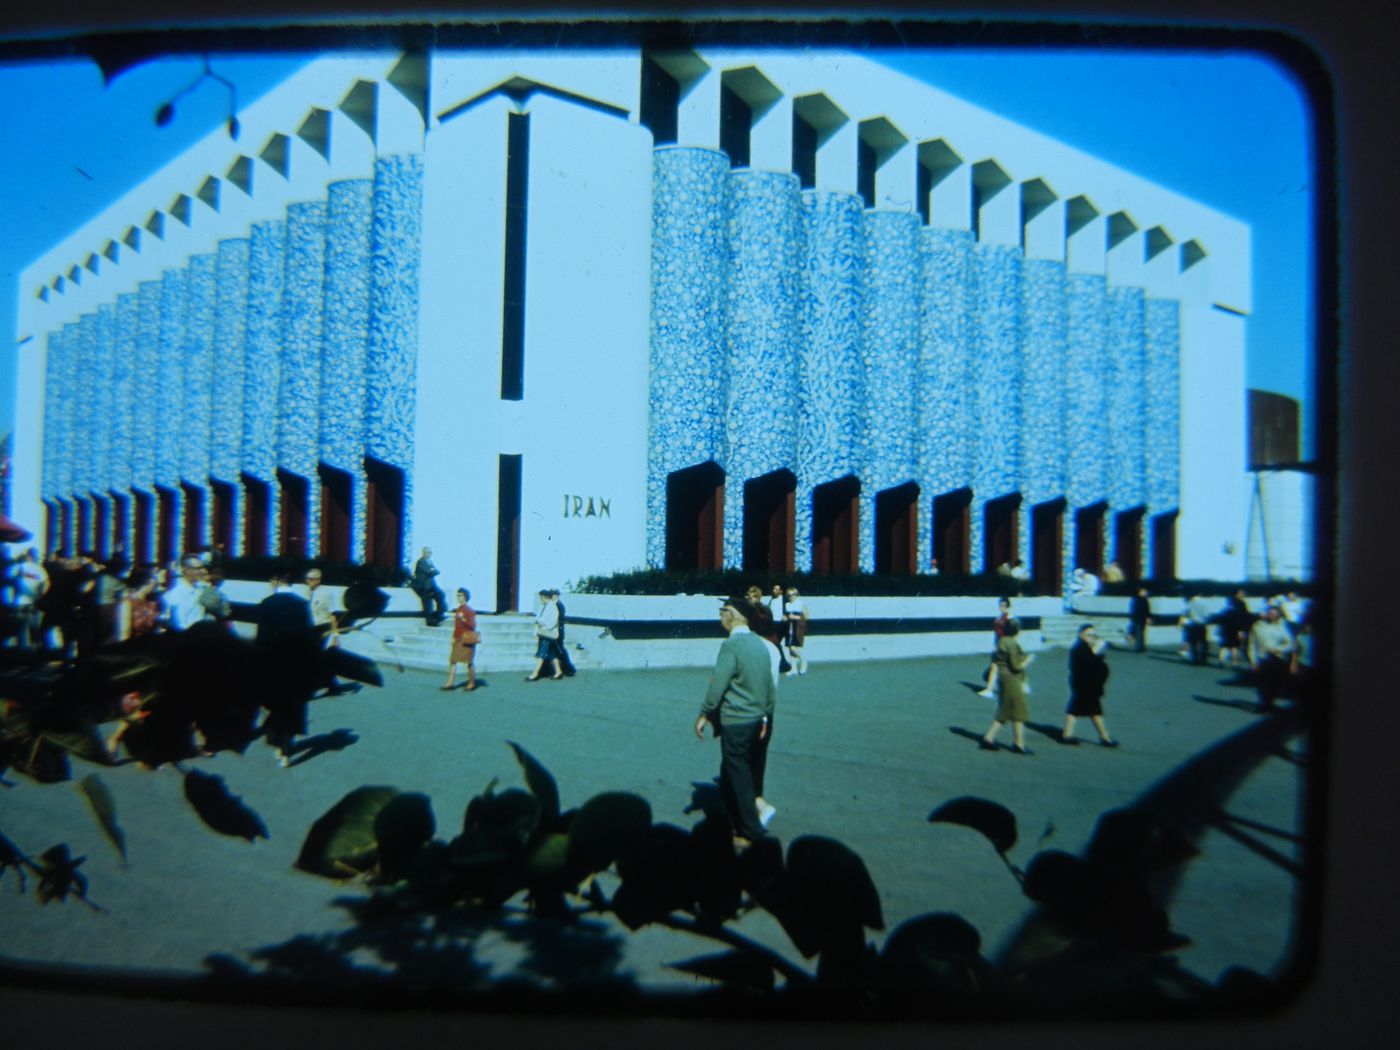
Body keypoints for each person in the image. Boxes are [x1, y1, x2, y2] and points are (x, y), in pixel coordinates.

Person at [694, 596, 777, 848]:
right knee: (733, 772)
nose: (720, 615)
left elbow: (718, 682)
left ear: (733, 615)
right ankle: (734, 824)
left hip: (737, 720)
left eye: (723, 610)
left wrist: (705, 712)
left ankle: (751, 831)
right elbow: (768, 686)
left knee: (738, 774)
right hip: (756, 719)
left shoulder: (732, 646)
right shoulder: (759, 644)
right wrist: (764, 716)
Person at [254, 571, 318, 767]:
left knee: (275, 704)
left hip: (273, 663)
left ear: (275, 581)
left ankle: (278, 743)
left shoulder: (267, 603)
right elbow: (309, 636)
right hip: (296, 663)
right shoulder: (301, 604)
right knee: (294, 705)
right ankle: (286, 746)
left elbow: (261, 638)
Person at [978, 617, 1035, 754]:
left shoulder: (1002, 642)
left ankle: (990, 738)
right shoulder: (1012, 644)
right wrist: (1028, 661)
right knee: (1018, 711)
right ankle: (1018, 744)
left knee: (1006, 711)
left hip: (1003, 678)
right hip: (1012, 679)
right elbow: (1016, 666)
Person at [1060, 623, 1119, 747]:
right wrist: (1096, 649)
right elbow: (1086, 663)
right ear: (1080, 634)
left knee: (1078, 709)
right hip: (1084, 685)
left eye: (1092, 635)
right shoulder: (1079, 648)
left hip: (1085, 685)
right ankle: (1104, 738)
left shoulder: (1083, 647)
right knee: (1093, 711)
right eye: (1088, 635)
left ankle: (1067, 734)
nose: (1091, 637)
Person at [1247, 602, 1295, 713]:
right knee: (1262, 683)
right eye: (1270, 613)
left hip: (1277, 659)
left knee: (1274, 683)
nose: (1272, 616)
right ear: (1267, 614)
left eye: (1275, 614)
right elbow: (1252, 644)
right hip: (1262, 659)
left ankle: (1270, 703)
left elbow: (1291, 644)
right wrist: (1253, 660)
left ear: (1278, 615)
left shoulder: (1282, 627)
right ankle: (1264, 704)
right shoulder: (1257, 626)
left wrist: (1279, 649)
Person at [10, 547, 48, 649]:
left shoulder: (20, 566)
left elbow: (10, 580)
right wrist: (39, 595)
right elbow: (46, 584)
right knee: (33, 627)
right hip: (33, 602)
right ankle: (33, 649)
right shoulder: (40, 569)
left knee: (21, 627)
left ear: (28, 555)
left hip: (19, 601)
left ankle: (24, 650)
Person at [442, 588, 479, 691]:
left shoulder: (469, 610)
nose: (459, 598)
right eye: (458, 595)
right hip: (458, 638)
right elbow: (456, 626)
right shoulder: (458, 609)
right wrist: (453, 637)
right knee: (453, 660)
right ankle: (450, 682)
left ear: (465, 597)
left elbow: (473, 625)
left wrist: (463, 619)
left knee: (469, 662)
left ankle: (471, 683)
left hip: (466, 639)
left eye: (461, 595)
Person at [977, 597, 1013, 698]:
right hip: (998, 646)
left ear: (1008, 606)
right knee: (999, 669)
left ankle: (989, 690)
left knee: (995, 668)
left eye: (1004, 605)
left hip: (1004, 647)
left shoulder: (1009, 619)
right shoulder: (999, 618)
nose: (1002, 607)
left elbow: (1009, 635)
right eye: (1001, 605)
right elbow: (996, 634)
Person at [526, 588, 564, 681]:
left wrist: (540, 622)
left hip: (547, 633)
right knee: (551, 654)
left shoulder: (552, 607)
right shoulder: (544, 606)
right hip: (544, 633)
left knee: (541, 653)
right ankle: (558, 671)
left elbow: (552, 622)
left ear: (545, 597)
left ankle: (535, 674)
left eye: (541, 597)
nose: (540, 599)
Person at [164, 555, 209, 631]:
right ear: (188, 571)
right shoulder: (178, 593)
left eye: (203, 568)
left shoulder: (200, 588)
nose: (204, 571)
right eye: (198, 568)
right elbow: (180, 625)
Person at [412, 546, 447, 626]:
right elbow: (432, 572)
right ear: (423, 553)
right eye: (428, 552)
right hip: (422, 586)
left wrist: (433, 570)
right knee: (427, 601)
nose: (429, 554)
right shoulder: (421, 562)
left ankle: (438, 615)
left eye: (430, 552)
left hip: (430, 585)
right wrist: (432, 570)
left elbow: (436, 571)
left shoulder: (429, 561)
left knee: (441, 595)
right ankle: (430, 620)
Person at [782, 585, 809, 675]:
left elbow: (806, 617)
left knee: (794, 647)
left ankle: (803, 661)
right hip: (789, 627)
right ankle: (793, 668)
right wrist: (785, 617)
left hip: (798, 627)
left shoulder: (800, 603)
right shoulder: (787, 604)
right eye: (789, 595)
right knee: (790, 648)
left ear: (797, 594)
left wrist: (794, 617)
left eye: (793, 594)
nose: (791, 597)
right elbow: (786, 615)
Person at [1180, 592, 1211, 664]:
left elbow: (1185, 613)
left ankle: (1194, 658)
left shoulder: (1190, 603)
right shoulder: (1203, 602)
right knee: (1203, 642)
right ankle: (1203, 659)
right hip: (1201, 624)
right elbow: (1207, 614)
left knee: (1193, 643)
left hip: (1192, 624)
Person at [552, 589, 577, 676]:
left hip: (558, 631)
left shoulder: (559, 605)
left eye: (553, 595)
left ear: (556, 595)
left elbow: (559, 620)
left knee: (560, 650)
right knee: (559, 650)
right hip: (557, 631)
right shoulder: (556, 605)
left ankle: (570, 668)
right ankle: (566, 668)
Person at [1126, 586, 1150, 653]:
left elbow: (1147, 610)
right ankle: (1139, 646)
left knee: (1141, 633)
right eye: (1144, 591)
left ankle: (1140, 646)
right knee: (1139, 633)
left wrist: (1148, 617)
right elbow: (1144, 610)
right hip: (1139, 618)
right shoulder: (1139, 599)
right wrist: (1147, 617)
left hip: (1140, 618)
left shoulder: (1141, 599)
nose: (1146, 592)